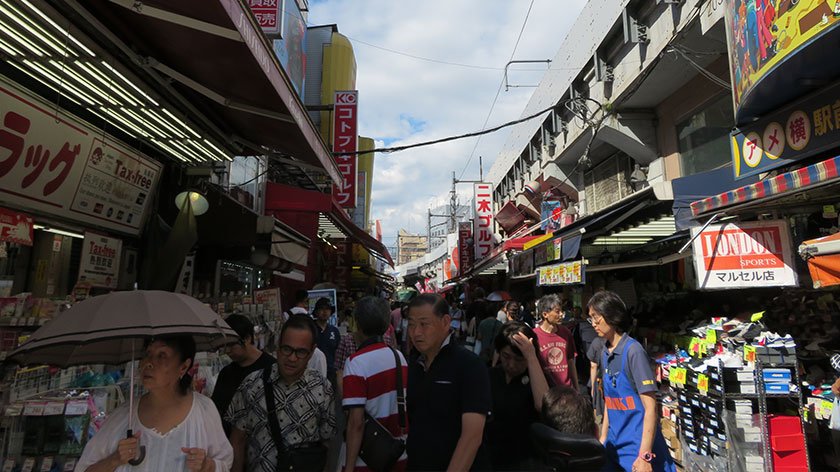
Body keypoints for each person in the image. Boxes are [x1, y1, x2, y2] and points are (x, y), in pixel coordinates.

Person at [77, 335, 232, 472]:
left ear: (184, 366)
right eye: (147, 354)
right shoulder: (124, 416)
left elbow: (225, 463)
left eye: (162, 355)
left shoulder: (203, 410)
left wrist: (207, 466)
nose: (148, 363)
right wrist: (115, 459)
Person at [227, 315, 336, 472]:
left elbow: (327, 444)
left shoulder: (322, 388)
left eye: (301, 352)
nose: (292, 358)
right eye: (287, 349)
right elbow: (237, 440)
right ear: (278, 346)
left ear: (312, 352)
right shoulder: (251, 384)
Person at [590, 291, 675, 472]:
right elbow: (609, 400)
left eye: (596, 318)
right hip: (614, 445)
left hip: (637, 448)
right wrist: (604, 438)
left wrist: (644, 455)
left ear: (611, 316)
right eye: (591, 318)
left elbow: (651, 407)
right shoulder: (605, 352)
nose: (593, 324)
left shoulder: (633, 352)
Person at [406, 294, 491, 471]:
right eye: (412, 325)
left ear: (446, 322)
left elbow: (472, 437)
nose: (416, 332)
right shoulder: (413, 365)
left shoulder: (469, 365)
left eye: (424, 324)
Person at [342, 297, 409, 471]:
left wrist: (348, 467)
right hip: (397, 455)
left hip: (367, 460)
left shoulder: (356, 362)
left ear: (357, 323)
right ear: (387, 325)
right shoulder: (398, 357)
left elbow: (355, 423)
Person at [486, 322, 550, 470]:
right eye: (506, 356)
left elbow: (542, 405)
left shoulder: (537, 378)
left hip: (527, 460)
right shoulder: (490, 376)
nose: (511, 364)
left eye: (519, 359)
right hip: (493, 458)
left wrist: (531, 356)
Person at [211, 315, 276, 436]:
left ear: (247, 338)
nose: (227, 351)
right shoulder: (226, 373)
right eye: (224, 346)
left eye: (231, 345)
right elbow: (217, 411)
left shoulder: (271, 368)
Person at [534, 294, 579, 388]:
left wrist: (576, 387)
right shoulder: (534, 336)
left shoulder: (566, 332)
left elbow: (570, 361)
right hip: (546, 390)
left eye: (561, 311)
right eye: (557, 312)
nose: (561, 314)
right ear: (545, 314)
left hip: (567, 390)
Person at [313, 297, 342, 385]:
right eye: (321, 308)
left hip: (331, 372)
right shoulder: (311, 329)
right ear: (316, 311)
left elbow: (338, 352)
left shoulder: (334, 331)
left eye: (328, 309)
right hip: (313, 372)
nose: (325, 312)